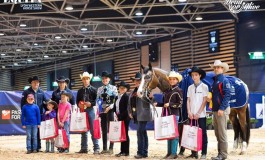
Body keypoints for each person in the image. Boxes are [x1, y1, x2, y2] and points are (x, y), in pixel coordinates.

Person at [128, 72, 153, 159]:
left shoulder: (145, 90)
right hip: (136, 115)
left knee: (139, 132)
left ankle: (140, 152)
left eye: (138, 80)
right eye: (135, 81)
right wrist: (130, 112)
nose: (136, 82)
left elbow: (151, 100)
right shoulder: (132, 92)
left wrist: (151, 98)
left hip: (143, 114)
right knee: (143, 132)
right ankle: (144, 152)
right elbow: (129, 103)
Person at [210, 60, 231, 160]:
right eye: (215, 67)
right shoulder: (215, 80)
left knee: (222, 133)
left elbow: (227, 95)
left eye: (218, 67)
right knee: (217, 133)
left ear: (222, 69)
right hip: (215, 109)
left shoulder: (224, 80)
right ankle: (220, 154)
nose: (216, 69)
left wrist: (222, 108)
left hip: (220, 110)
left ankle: (223, 154)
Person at [186, 66, 208, 159]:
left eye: (195, 75)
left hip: (201, 115)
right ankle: (194, 153)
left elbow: (204, 101)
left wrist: (198, 113)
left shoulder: (204, 87)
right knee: (192, 133)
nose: (194, 77)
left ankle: (204, 153)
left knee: (203, 134)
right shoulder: (190, 88)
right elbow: (188, 100)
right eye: (192, 75)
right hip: (191, 115)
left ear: (200, 75)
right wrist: (189, 112)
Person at [21, 76, 47, 152]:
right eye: (34, 82)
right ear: (31, 83)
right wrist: (24, 113)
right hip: (29, 115)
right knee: (30, 134)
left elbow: (45, 102)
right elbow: (22, 103)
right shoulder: (26, 92)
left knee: (37, 132)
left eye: (37, 82)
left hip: (39, 115)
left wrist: (48, 110)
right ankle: (30, 148)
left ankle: (37, 147)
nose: (36, 83)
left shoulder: (41, 92)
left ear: (39, 83)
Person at [76, 72, 100, 154]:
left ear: (89, 79)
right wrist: (79, 105)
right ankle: (84, 148)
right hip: (82, 111)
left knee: (93, 129)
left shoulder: (94, 90)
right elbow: (77, 101)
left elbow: (96, 101)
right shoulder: (79, 91)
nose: (86, 80)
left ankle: (96, 147)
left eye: (87, 78)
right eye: (84, 79)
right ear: (82, 80)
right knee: (83, 130)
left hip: (90, 110)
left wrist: (91, 104)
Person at [161, 71, 183, 159]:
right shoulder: (167, 91)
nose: (172, 81)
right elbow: (164, 102)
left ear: (177, 80)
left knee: (174, 134)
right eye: (170, 79)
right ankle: (169, 152)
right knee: (168, 134)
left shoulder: (179, 90)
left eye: (174, 79)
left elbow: (180, 104)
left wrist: (170, 104)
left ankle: (173, 153)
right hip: (167, 115)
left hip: (174, 114)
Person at [97, 71, 118, 154]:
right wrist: (99, 109)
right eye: (103, 78)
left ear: (109, 79)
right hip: (102, 111)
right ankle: (104, 148)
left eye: (106, 78)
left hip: (110, 110)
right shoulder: (99, 89)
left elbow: (115, 100)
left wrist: (109, 107)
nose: (104, 79)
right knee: (104, 129)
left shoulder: (113, 88)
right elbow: (98, 100)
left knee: (111, 129)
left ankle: (111, 148)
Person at [113, 81, 130, 157]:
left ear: (126, 89)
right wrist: (114, 113)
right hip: (119, 117)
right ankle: (122, 150)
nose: (122, 89)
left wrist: (120, 116)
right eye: (120, 87)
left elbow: (127, 109)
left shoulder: (126, 97)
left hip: (125, 118)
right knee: (121, 134)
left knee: (125, 134)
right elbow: (115, 106)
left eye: (123, 88)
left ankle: (126, 151)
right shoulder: (117, 97)